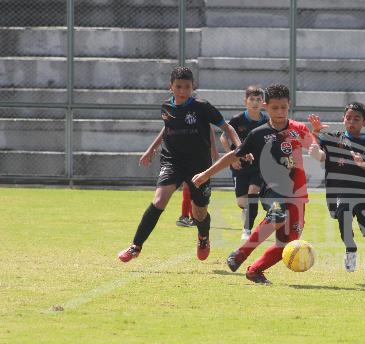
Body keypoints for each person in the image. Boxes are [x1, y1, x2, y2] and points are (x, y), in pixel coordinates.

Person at [192, 84, 317, 284]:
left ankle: (255, 271)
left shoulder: (298, 129)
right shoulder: (258, 133)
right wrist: (207, 174)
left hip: (298, 194)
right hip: (272, 189)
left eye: (284, 107)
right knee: (277, 214)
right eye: (275, 108)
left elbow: (314, 148)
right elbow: (234, 154)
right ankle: (240, 254)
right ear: (266, 107)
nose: (280, 112)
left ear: (289, 106)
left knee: (289, 242)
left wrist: (318, 151)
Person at [118, 66, 241, 262]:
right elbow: (167, 128)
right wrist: (151, 148)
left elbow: (227, 127)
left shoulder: (202, 106)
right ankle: (135, 246)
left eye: (187, 87)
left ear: (193, 87)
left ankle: (203, 237)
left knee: (199, 212)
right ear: (171, 87)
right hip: (172, 160)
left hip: (199, 165)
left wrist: (239, 146)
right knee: (159, 200)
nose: (182, 91)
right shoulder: (166, 107)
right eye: (178, 86)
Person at [307, 102, 365, 285]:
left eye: (356, 119)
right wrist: (315, 132)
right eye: (348, 118)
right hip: (341, 193)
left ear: (364, 122)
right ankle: (350, 249)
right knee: (345, 222)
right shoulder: (333, 138)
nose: (351, 121)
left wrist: (360, 164)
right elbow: (317, 149)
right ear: (343, 119)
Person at [140, 125, 219, 228]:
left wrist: (213, 150)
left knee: (197, 191)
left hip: (199, 157)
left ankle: (193, 218)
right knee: (188, 188)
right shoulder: (176, 115)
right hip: (181, 157)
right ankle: (186, 217)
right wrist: (151, 149)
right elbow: (166, 127)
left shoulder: (202, 116)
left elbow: (209, 128)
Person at [220, 85, 269, 239]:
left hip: (258, 166)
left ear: (263, 103)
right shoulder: (237, 119)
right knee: (242, 203)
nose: (255, 102)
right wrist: (231, 157)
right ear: (245, 101)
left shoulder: (267, 121)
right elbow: (223, 137)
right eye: (252, 99)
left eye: (258, 99)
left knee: (253, 193)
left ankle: (247, 231)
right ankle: (248, 211)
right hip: (239, 165)